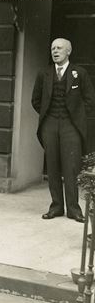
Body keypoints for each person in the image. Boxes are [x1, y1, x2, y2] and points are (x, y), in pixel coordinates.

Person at [32, 38, 95, 223]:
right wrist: (47, 116)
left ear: (68, 51)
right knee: (52, 166)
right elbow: (36, 100)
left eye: (59, 48)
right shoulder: (44, 73)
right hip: (50, 124)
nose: (55, 51)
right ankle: (56, 206)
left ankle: (74, 209)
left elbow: (90, 100)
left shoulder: (80, 73)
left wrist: (77, 118)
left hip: (71, 126)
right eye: (52, 48)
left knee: (71, 167)